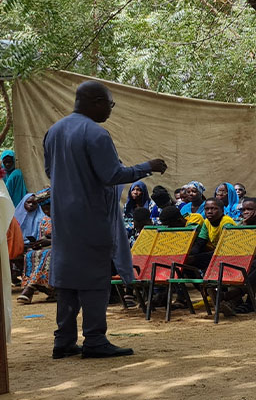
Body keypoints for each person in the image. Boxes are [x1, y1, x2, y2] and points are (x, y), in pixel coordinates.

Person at [44, 80, 167, 359]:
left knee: (67, 280)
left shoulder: (53, 132)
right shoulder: (96, 134)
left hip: (63, 219)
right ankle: (95, 339)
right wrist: (147, 167)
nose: (110, 112)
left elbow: (51, 172)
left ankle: (63, 341)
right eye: (110, 105)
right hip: (91, 217)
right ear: (97, 102)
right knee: (94, 280)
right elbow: (112, 175)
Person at [15, 192, 54, 304]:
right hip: (42, 247)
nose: (31, 205)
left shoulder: (49, 219)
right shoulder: (44, 220)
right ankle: (41, 289)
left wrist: (48, 241)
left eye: (34, 203)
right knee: (31, 255)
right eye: (28, 202)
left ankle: (30, 288)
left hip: (54, 247)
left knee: (45, 254)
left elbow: (64, 237)